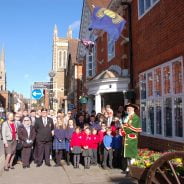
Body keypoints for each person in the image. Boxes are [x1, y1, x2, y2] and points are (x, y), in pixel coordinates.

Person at [121, 103, 142, 172]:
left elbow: (131, 128)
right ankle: (129, 167)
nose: (128, 109)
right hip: (127, 138)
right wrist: (123, 129)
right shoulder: (128, 117)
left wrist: (123, 131)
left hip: (132, 138)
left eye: (129, 108)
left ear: (133, 109)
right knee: (127, 154)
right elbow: (125, 126)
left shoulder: (135, 117)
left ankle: (133, 168)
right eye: (127, 109)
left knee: (132, 154)